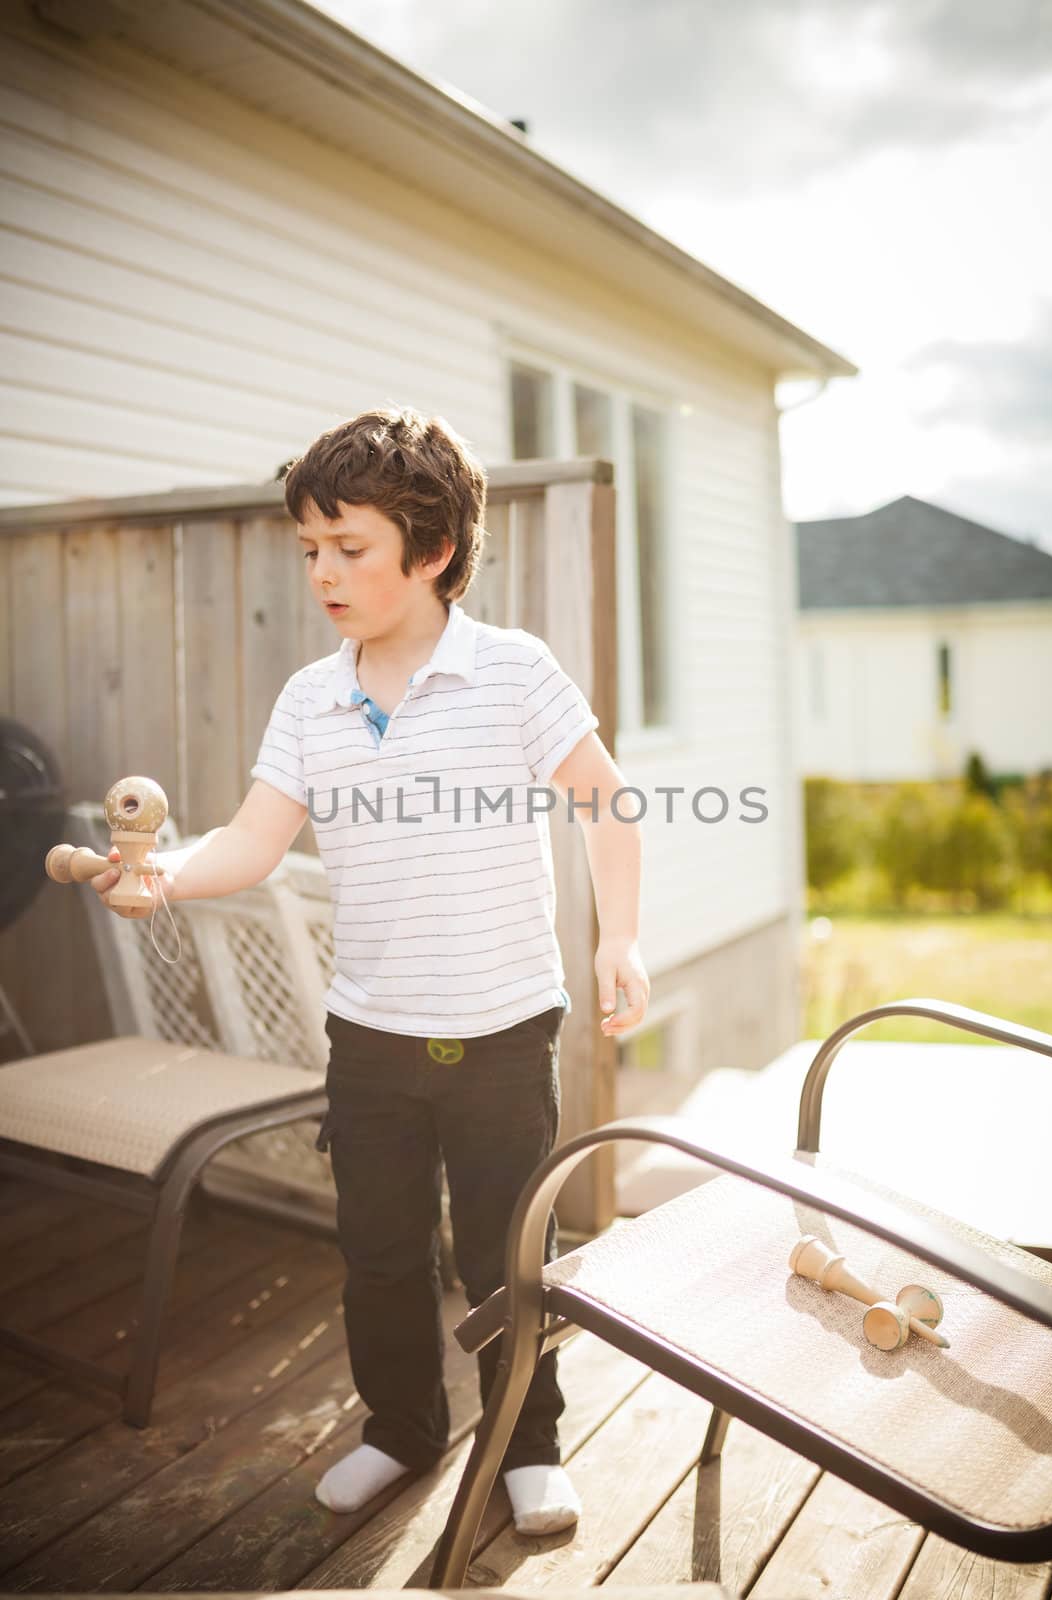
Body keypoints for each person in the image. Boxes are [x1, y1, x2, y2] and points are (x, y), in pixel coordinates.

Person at [92, 406, 649, 1535]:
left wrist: (616, 937)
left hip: (501, 1034)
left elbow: (606, 803)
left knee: (506, 1253)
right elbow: (252, 841)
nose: (324, 572)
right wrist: (162, 879)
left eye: (349, 546)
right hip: (372, 1038)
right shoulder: (312, 697)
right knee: (381, 1255)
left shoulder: (508, 671)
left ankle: (525, 1441)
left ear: (431, 549)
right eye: (310, 549)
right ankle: (401, 1429)